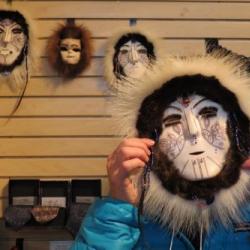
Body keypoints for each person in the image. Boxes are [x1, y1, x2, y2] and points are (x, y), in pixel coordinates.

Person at [71, 52, 250, 250]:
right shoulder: (137, 211)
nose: (193, 132)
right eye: (173, 121)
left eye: (208, 114)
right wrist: (120, 208)